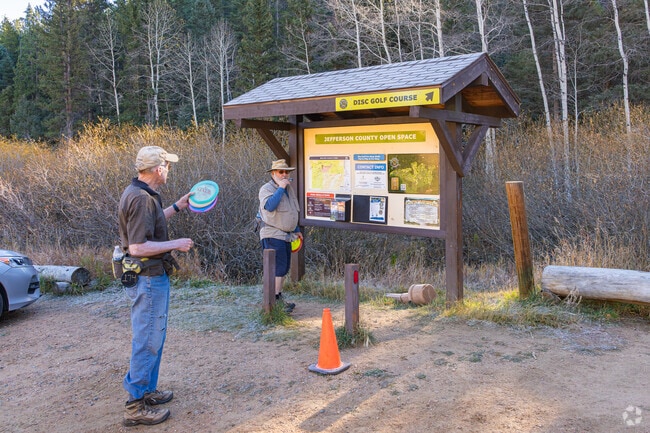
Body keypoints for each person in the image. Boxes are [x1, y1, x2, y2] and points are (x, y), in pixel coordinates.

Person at [118, 145, 194, 427]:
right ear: (158, 169)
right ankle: (135, 406)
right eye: (167, 166)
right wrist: (177, 243)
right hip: (148, 278)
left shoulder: (140, 193)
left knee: (153, 337)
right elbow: (137, 246)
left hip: (150, 277)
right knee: (147, 340)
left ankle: (146, 391)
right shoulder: (140, 199)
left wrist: (176, 206)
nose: (169, 170)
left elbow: (149, 223)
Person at [258, 159, 303, 312]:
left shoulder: (288, 189)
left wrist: (296, 229)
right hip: (272, 234)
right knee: (277, 269)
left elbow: (291, 211)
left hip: (286, 235)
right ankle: (273, 302)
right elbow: (270, 206)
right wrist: (281, 188)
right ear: (273, 173)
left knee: (283, 268)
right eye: (280, 172)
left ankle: (277, 297)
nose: (284, 175)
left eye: (286, 172)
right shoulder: (266, 188)